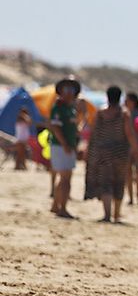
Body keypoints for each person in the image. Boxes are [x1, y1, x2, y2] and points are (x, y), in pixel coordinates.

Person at [83, 85, 138, 224]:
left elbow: (93, 132)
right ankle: (116, 214)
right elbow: (129, 133)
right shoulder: (124, 113)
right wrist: (136, 149)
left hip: (103, 152)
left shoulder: (100, 112)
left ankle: (107, 215)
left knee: (106, 182)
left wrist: (89, 150)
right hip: (120, 152)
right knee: (119, 181)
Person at [46, 78, 86, 218]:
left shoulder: (71, 109)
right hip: (60, 146)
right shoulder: (58, 108)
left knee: (64, 178)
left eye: (72, 90)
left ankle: (55, 205)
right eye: (66, 89)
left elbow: (77, 127)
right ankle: (62, 208)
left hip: (69, 146)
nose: (69, 92)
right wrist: (64, 145)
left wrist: (82, 113)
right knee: (65, 179)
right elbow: (55, 128)